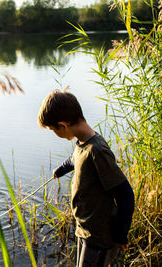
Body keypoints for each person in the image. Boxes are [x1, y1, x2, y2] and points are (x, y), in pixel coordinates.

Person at [37, 90, 135, 267]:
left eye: (53, 130)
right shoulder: (82, 142)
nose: (54, 133)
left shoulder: (97, 151)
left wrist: (121, 235)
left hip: (99, 237)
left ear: (63, 125)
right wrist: (60, 170)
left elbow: (126, 196)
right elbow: (75, 159)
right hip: (85, 231)